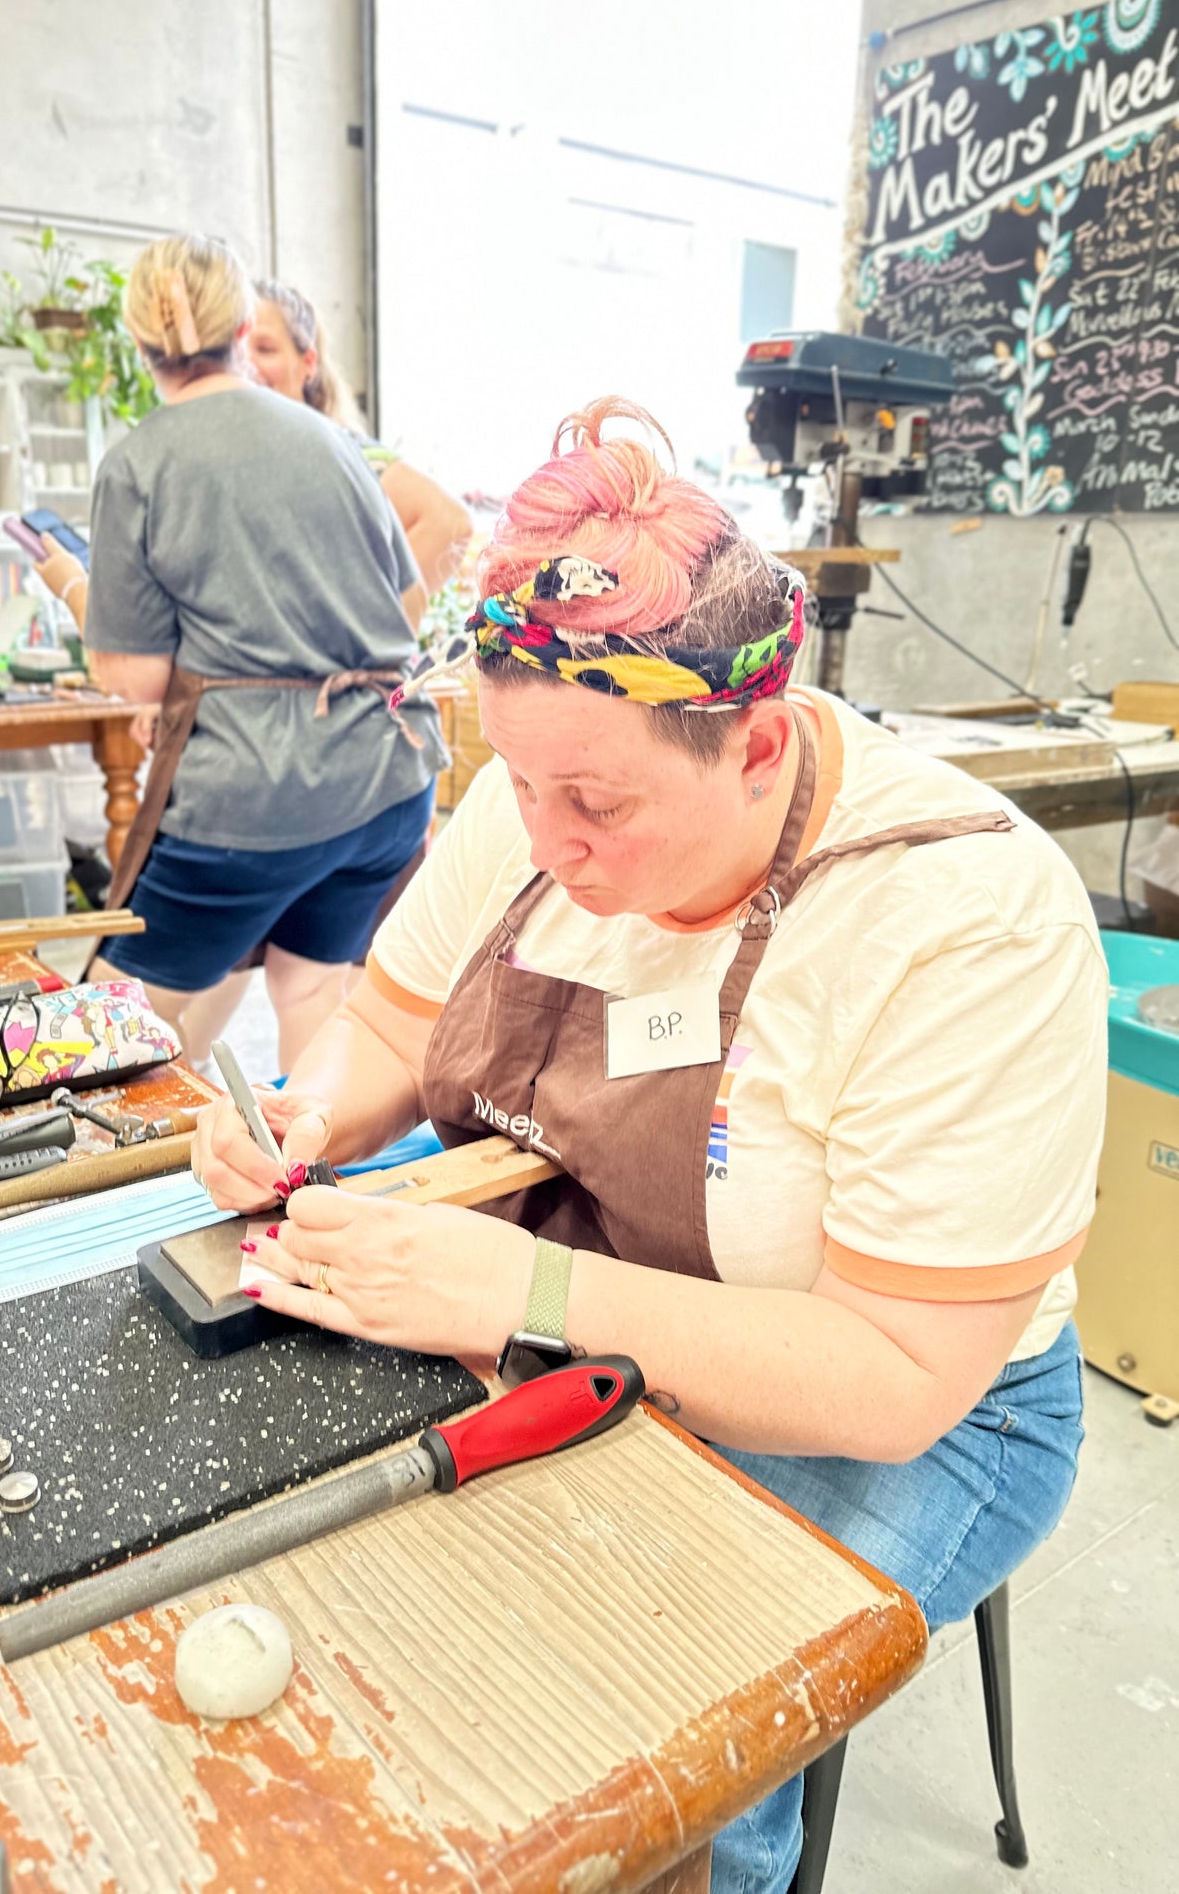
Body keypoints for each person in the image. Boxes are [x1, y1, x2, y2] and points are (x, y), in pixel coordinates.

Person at [191, 397, 1104, 1893]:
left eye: (596, 803)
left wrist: (521, 1297)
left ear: (754, 743)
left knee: (660, 1727)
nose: (543, 838)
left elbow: (890, 1374)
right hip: (572, 1269)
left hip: (923, 1402)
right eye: (520, 780)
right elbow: (391, 1029)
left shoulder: (964, 917)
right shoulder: (532, 792)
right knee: (365, 1566)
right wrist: (306, 1113)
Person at [64, 233, 443, 1071]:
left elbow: (134, 676)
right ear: (242, 324)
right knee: (311, 991)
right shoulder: (335, 443)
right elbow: (395, 594)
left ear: (136, 343)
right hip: (388, 774)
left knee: (101, 1026)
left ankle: (80, 1185)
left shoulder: (139, 461)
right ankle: (303, 1183)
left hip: (258, 794)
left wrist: (71, 586)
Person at [247, 277, 472, 595]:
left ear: (307, 363)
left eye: (266, 349)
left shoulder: (347, 455)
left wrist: (375, 623)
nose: (249, 365)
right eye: (236, 351)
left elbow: (450, 523)